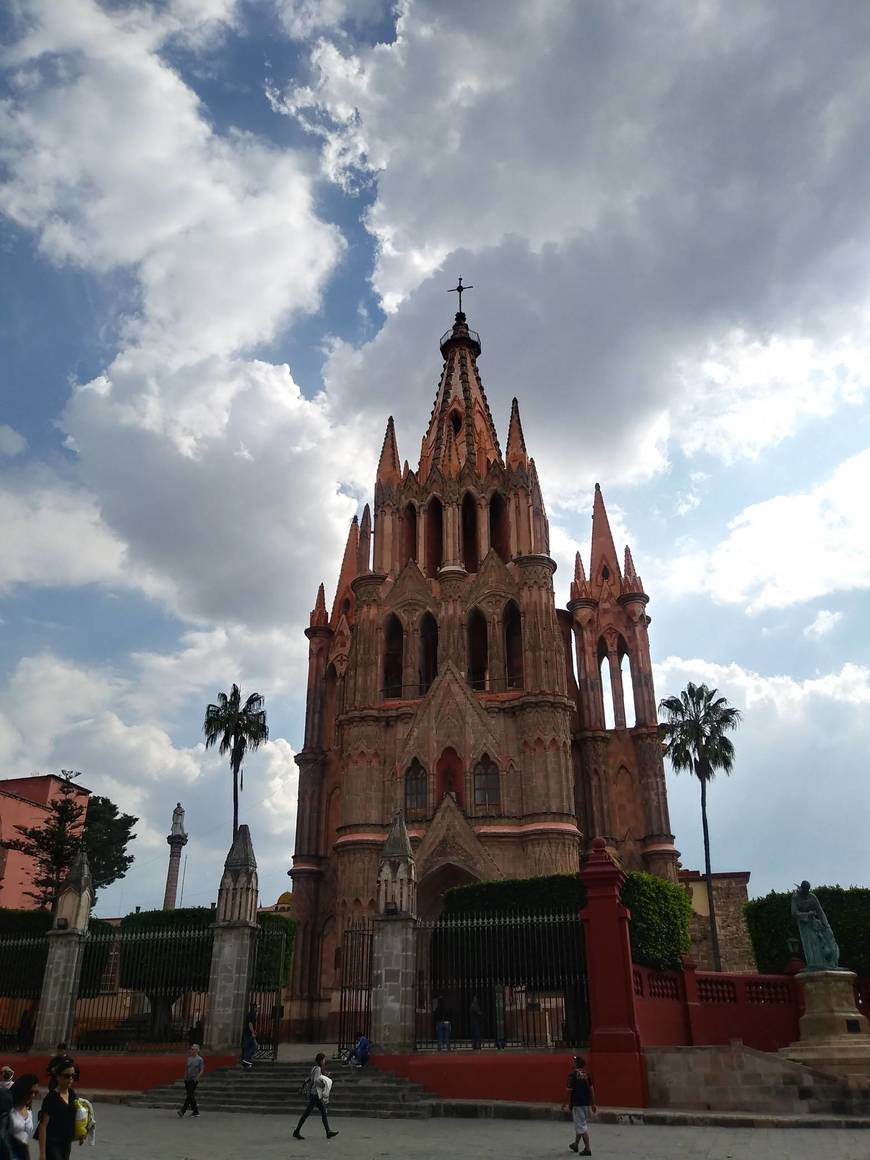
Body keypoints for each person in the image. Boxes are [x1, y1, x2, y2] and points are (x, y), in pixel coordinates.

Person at [37, 1057, 77, 1160]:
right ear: (58, 1077)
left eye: (73, 1076)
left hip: (67, 1141)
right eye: (67, 1076)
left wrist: (81, 1134)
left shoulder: (72, 1094)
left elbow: (75, 1117)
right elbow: (43, 1125)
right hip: (52, 1142)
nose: (70, 1079)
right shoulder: (51, 1097)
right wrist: (42, 1153)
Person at [292, 1053, 338, 1141]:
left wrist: (324, 1077)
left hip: (315, 1094)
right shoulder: (318, 1069)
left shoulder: (314, 1068)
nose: (325, 1061)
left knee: (322, 1112)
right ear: (321, 1060)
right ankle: (297, 1131)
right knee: (307, 1113)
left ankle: (328, 1131)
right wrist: (325, 1084)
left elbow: (311, 1078)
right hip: (315, 1094)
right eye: (324, 1059)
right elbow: (316, 1081)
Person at [561, 1055, 596, 1156]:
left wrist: (564, 1103)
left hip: (577, 1103)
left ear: (576, 1064)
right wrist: (593, 1103)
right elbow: (592, 1090)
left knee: (581, 1126)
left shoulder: (572, 1075)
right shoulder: (587, 1074)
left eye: (574, 1061)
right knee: (580, 1124)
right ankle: (576, 1144)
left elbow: (568, 1091)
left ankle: (588, 1148)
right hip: (586, 1103)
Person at [8, 1074, 39, 1160]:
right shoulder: (8, 1108)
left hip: (23, 1153)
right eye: (30, 1092)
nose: (33, 1095)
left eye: (36, 1093)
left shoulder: (28, 1109)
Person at [177, 1044, 204, 1119]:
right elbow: (186, 1068)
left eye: (193, 1049)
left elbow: (201, 1069)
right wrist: (185, 1076)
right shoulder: (189, 1059)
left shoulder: (200, 1059)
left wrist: (197, 1077)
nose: (191, 1050)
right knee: (190, 1095)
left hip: (194, 1079)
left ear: (197, 1050)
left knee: (190, 1095)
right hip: (187, 1079)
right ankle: (196, 1112)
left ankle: (182, 1111)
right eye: (191, 1049)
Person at [240, 1003, 258, 1069]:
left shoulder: (250, 1014)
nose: (257, 1009)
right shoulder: (252, 1014)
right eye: (256, 1007)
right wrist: (253, 1032)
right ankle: (246, 1060)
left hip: (247, 1033)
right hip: (249, 1034)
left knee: (248, 1048)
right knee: (254, 1046)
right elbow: (250, 1024)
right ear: (254, 1008)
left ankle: (246, 1063)